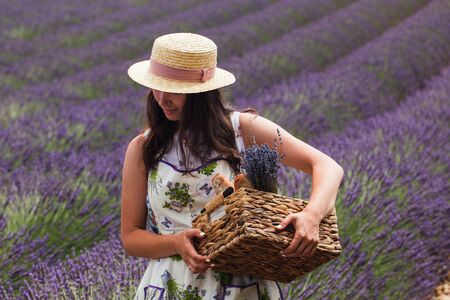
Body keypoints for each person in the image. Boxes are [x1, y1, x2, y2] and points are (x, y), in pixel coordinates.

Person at [121, 32, 344, 300]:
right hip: (170, 287)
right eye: (157, 87)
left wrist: (312, 215)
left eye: (175, 90)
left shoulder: (241, 128)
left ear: (202, 93)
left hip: (240, 287)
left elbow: (327, 166)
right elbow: (131, 237)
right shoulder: (145, 147)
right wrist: (175, 243)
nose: (162, 98)